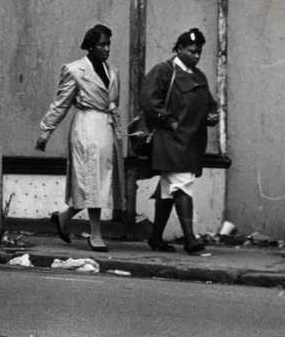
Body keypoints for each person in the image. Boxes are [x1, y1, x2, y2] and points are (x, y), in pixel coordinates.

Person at [35, 23, 123, 252]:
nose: (107, 49)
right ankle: (95, 234)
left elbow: (114, 104)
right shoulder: (75, 70)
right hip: (86, 127)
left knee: (98, 184)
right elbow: (60, 103)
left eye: (108, 44)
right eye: (102, 44)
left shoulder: (113, 72)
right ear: (90, 47)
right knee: (91, 181)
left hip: (105, 128)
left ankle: (63, 218)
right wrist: (46, 131)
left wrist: (120, 131)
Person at [140, 27, 219, 254]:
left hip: (191, 143)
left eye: (199, 52)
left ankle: (156, 238)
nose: (197, 56)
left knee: (169, 190)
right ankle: (190, 239)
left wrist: (211, 116)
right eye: (192, 51)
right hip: (171, 141)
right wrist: (168, 122)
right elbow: (148, 100)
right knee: (182, 185)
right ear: (180, 48)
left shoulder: (199, 76)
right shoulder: (164, 71)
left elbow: (209, 104)